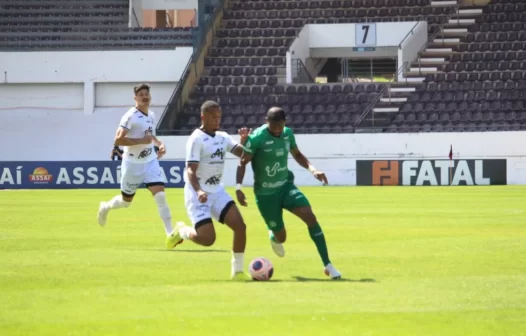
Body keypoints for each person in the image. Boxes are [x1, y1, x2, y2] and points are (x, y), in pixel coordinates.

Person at [236, 107, 342, 279]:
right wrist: (239, 188)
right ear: (266, 121)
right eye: (274, 125)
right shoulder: (256, 138)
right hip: (266, 195)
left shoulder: (288, 134)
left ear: (285, 122)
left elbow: (298, 155)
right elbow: (242, 163)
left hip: (285, 186)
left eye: (281, 125)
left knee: (310, 216)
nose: (278, 129)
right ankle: (274, 235)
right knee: (281, 237)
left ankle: (328, 265)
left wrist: (313, 170)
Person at [170, 101, 251, 280]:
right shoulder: (196, 139)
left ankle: (237, 272)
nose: (217, 120)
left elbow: (243, 154)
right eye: (213, 117)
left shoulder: (222, 137)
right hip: (197, 193)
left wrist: (244, 142)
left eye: (219, 117)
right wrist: (198, 191)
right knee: (208, 239)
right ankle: (182, 231)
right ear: (203, 117)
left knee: (240, 227)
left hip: (217, 191)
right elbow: (191, 170)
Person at [97, 83, 184, 249]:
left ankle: (169, 235)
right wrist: (141, 141)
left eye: (147, 94)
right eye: (141, 94)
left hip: (150, 161)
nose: (145, 96)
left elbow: (149, 135)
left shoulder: (150, 114)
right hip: (132, 165)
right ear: (135, 98)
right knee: (125, 202)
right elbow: (118, 140)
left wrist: (159, 143)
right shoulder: (130, 116)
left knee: (161, 196)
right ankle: (106, 207)